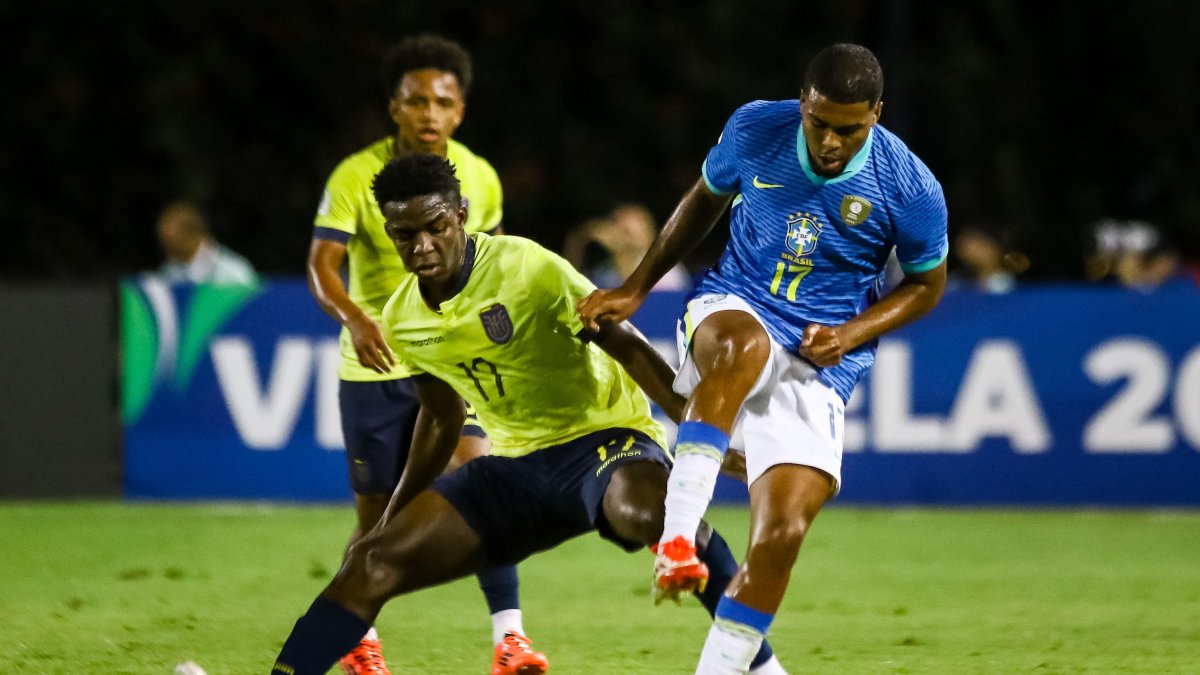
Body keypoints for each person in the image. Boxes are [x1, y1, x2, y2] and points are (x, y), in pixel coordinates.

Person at [270, 155, 786, 675]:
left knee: (649, 514)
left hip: (605, 441)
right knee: (370, 562)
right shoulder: (403, 318)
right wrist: (391, 515)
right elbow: (441, 416)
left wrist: (701, 437)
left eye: (435, 227)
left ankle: (763, 669)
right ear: (389, 233)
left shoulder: (525, 266)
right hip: (517, 467)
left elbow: (624, 344)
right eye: (405, 235)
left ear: (461, 214)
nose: (422, 246)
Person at [578, 43, 949, 674]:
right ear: (803, 103)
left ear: (877, 115)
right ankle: (678, 536)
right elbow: (704, 197)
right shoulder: (757, 127)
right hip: (736, 302)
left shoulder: (910, 187)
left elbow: (925, 286)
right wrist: (638, 284)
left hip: (821, 358)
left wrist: (852, 333)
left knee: (780, 538)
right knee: (743, 348)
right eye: (820, 123)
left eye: (850, 129)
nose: (831, 142)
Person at [306, 34, 511, 673]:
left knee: (487, 486)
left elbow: (494, 265)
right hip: (373, 370)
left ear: (460, 111)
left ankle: (511, 639)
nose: (429, 113)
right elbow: (321, 265)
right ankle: (357, 640)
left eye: (442, 102)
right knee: (377, 520)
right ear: (394, 108)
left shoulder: (479, 176)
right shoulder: (354, 176)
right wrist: (357, 319)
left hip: (452, 364)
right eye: (415, 100)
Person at [563, 203, 692, 290]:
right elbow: (570, 288)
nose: (620, 237)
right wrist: (579, 238)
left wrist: (623, 253)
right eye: (621, 229)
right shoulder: (605, 272)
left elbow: (633, 295)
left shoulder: (666, 270)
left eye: (627, 233)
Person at [156, 201, 256, 285]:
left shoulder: (233, 271)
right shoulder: (168, 272)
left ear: (192, 236)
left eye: (171, 244)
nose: (167, 250)